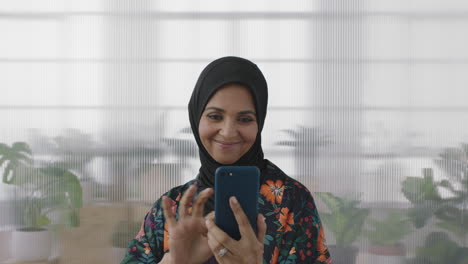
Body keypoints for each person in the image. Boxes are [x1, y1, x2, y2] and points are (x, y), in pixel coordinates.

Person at [122, 56, 332, 264]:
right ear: (197, 118)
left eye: (245, 119)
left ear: (259, 123)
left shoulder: (293, 202)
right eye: (215, 116)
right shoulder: (169, 209)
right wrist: (174, 262)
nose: (228, 132)